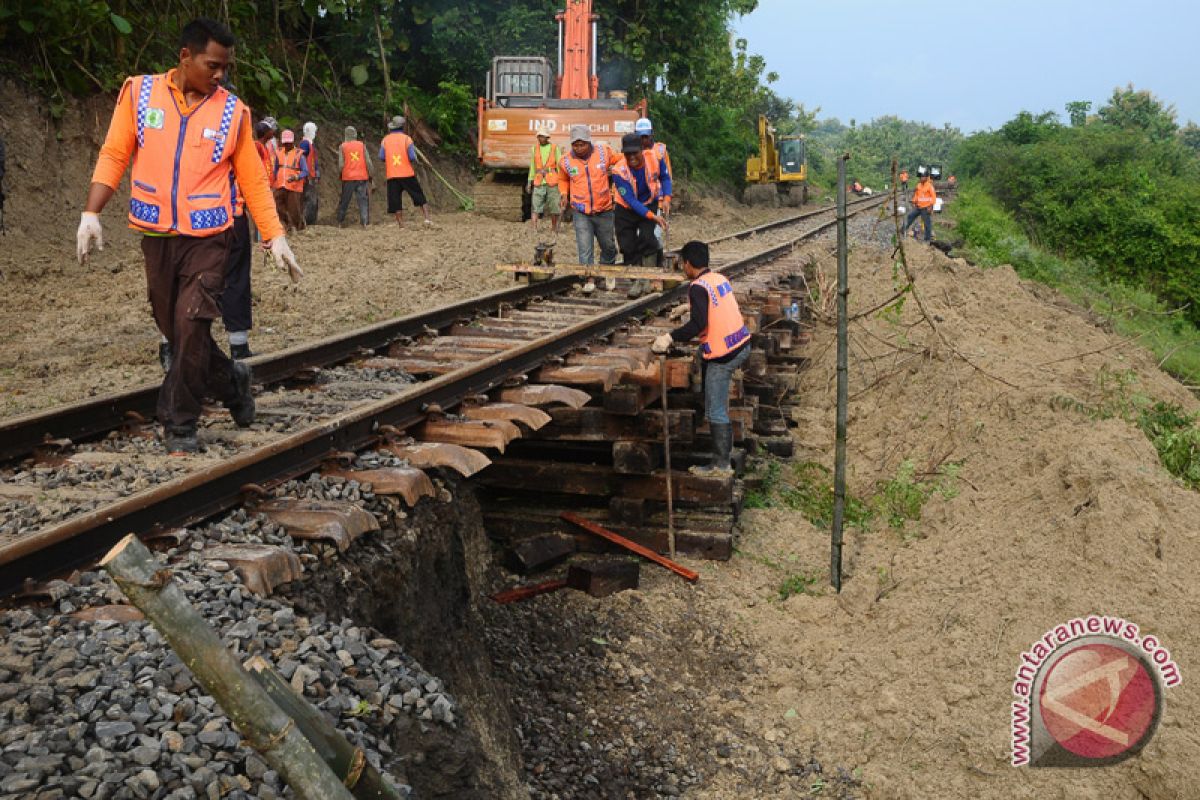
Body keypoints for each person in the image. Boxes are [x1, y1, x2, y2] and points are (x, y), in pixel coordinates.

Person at [76, 17, 301, 454]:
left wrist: (275, 237)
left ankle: (179, 424)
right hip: (157, 237)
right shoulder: (140, 95)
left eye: (226, 68)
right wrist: (91, 212)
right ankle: (233, 384)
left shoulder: (233, 111)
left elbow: (253, 180)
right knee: (179, 333)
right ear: (185, 56)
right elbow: (115, 152)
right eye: (213, 65)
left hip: (211, 239)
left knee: (192, 322)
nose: (221, 76)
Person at [651, 240, 751, 476]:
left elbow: (698, 325)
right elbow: (717, 304)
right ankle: (701, 390)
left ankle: (721, 465)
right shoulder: (718, 278)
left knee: (715, 410)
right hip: (741, 343)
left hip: (724, 354)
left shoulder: (697, 287)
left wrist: (670, 337)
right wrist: (688, 308)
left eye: (682, 264)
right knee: (701, 360)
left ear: (687, 263)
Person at [558, 124, 619, 292]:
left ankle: (607, 271)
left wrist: (616, 171)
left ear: (589, 142)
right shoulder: (565, 161)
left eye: (582, 144)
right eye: (575, 145)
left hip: (604, 209)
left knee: (608, 245)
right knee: (585, 247)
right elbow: (562, 178)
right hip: (581, 211)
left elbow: (620, 160)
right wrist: (564, 193)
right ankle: (589, 278)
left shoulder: (603, 152)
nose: (579, 148)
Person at [612, 132, 668, 297]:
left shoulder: (655, 158)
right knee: (627, 245)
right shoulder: (618, 171)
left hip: (648, 202)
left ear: (642, 150)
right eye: (627, 153)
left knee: (647, 238)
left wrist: (667, 198)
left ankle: (647, 278)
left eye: (634, 153)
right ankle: (637, 278)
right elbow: (629, 199)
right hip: (626, 208)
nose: (631, 157)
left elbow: (665, 177)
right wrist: (652, 216)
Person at [379, 115, 432, 228]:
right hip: (407, 173)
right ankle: (427, 218)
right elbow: (412, 157)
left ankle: (401, 224)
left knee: (395, 201)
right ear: (403, 127)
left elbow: (381, 157)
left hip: (392, 175)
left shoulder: (385, 140)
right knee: (418, 195)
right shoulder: (407, 139)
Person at [634, 117, 673, 264]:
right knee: (641, 236)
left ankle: (656, 266)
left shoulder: (661, 150)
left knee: (654, 235)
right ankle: (645, 267)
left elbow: (666, 177)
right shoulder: (632, 151)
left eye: (646, 136)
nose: (643, 140)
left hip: (658, 201)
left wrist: (667, 199)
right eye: (640, 136)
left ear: (651, 134)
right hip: (638, 202)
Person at [526, 126, 561, 235]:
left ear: (547, 137)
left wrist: (562, 181)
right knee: (535, 205)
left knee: (554, 206)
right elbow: (532, 166)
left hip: (553, 181)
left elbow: (559, 165)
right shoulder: (534, 149)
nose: (540, 138)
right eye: (539, 136)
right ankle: (534, 228)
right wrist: (529, 182)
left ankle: (554, 228)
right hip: (539, 181)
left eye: (542, 136)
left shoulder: (555, 148)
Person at [272, 129, 308, 232]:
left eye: (288, 142)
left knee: (294, 210)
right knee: (276, 205)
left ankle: (299, 227)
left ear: (293, 141)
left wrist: (296, 177)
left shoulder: (299, 154)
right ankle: (287, 224)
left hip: (294, 187)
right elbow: (275, 169)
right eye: (285, 142)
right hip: (280, 185)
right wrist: (272, 181)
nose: (287, 144)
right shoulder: (279, 152)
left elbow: (305, 171)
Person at [336, 125, 372, 227]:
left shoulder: (342, 146)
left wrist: (340, 174)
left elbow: (341, 164)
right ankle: (364, 222)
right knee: (363, 200)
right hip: (362, 177)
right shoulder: (362, 145)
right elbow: (368, 161)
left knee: (345, 200)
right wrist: (371, 174)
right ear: (355, 134)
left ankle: (340, 222)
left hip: (348, 178)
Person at [903, 172, 938, 242]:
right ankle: (902, 230)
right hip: (919, 206)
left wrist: (931, 206)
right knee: (910, 216)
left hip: (926, 207)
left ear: (926, 178)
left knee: (927, 223)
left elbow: (933, 197)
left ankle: (927, 239)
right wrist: (914, 201)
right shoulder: (918, 185)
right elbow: (917, 194)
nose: (921, 178)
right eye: (920, 177)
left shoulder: (930, 186)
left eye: (923, 177)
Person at [298, 121, 320, 225]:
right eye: (314, 131)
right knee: (309, 199)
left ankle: (309, 220)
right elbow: (300, 157)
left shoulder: (309, 144)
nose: (315, 133)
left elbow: (313, 160)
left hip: (310, 175)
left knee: (311, 199)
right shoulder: (305, 144)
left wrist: (316, 171)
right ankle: (307, 221)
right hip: (307, 176)